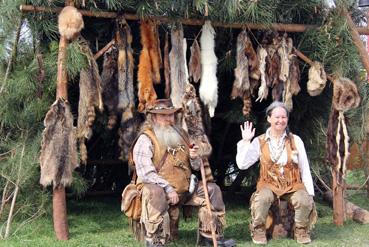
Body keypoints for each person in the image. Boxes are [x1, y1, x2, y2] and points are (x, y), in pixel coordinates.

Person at [132, 99, 235, 247]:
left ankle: (211, 237)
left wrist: (194, 157)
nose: (168, 119)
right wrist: (167, 188)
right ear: (153, 118)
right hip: (158, 190)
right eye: (163, 116)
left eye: (171, 115)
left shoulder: (182, 135)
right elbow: (146, 173)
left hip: (185, 188)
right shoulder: (145, 139)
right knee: (155, 192)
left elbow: (194, 167)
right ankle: (155, 241)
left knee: (213, 190)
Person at [236, 101, 316, 245]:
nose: (280, 120)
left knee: (303, 200)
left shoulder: (295, 140)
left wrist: (309, 193)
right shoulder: (259, 141)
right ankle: (258, 230)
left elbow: (304, 167)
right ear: (269, 119)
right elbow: (242, 164)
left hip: (292, 184)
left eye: (283, 117)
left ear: (287, 119)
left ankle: (301, 230)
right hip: (268, 184)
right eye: (277, 117)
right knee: (262, 198)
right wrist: (246, 141)